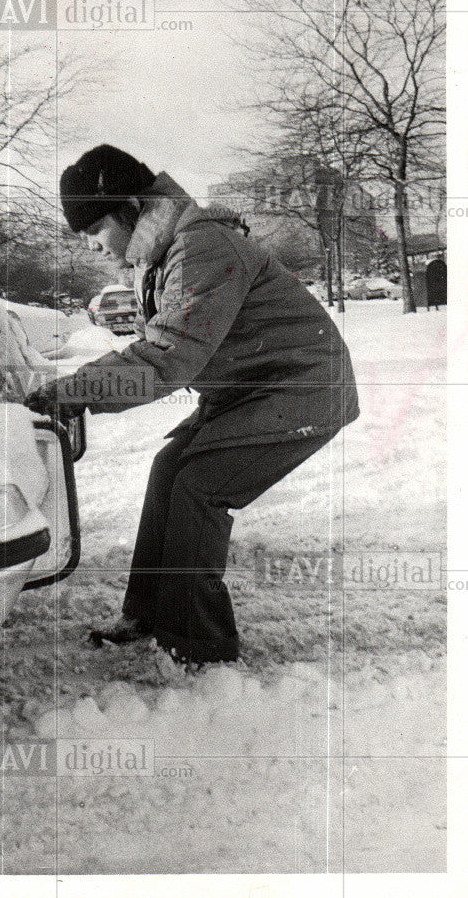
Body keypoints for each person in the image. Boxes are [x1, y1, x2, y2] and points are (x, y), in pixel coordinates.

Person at [24, 144, 359, 669]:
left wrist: (72, 391)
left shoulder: (200, 247)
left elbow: (167, 357)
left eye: (93, 231)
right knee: (170, 467)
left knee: (201, 486)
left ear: (131, 207)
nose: (91, 247)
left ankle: (200, 651)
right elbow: (162, 344)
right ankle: (149, 616)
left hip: (303, 389)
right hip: (253, 388)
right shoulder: (165, 254)